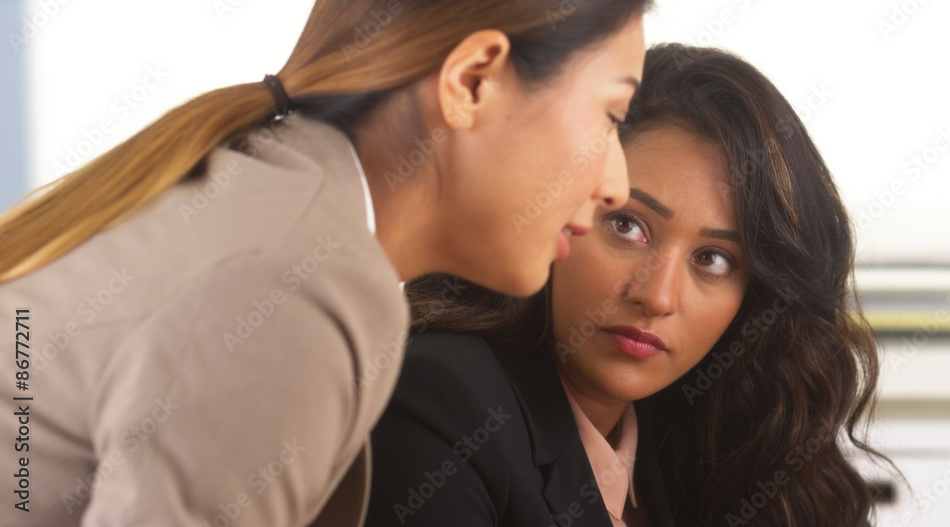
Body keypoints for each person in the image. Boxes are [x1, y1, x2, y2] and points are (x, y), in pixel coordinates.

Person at [0, 1, 651, 525]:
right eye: (611, 114)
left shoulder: (272, 187)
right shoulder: (302, 284)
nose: (616, 181)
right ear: (473, 81)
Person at [365, 43, 885, 527]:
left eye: (714, 259)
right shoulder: (440, 400)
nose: (656, 297)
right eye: (629, 227)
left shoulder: (701, 435)